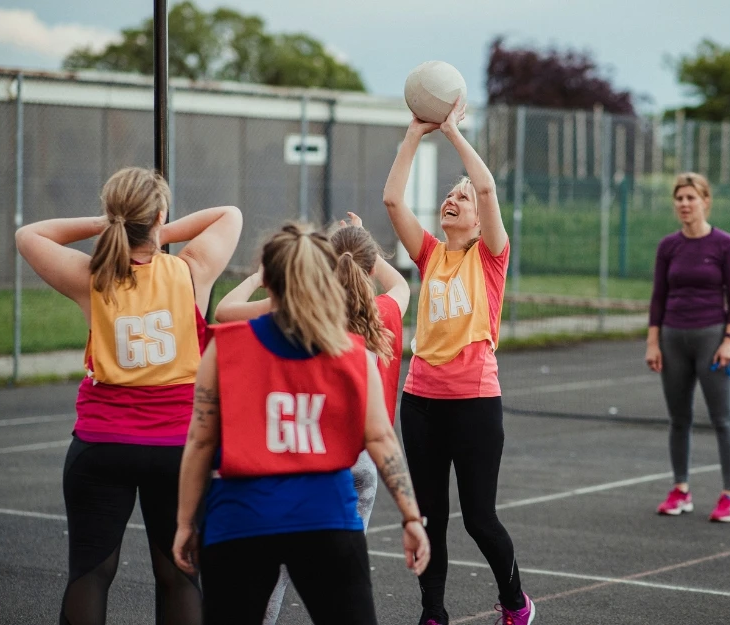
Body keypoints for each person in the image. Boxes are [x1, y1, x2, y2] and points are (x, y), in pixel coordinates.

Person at [14, 166, 243, 624]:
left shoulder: (92, 277)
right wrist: (152, 229)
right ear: (159, 215)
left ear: (114, 217)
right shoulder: (191, 272)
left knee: (91, 574)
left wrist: (108, 224)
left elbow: (29, 234)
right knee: (180, 576)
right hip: (177, 448)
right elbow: (229, 214)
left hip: (103, 444)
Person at [172, 222, 429, 625]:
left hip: (242, 517)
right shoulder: (353, 355)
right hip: (325, 517)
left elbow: (200, 442)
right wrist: (411, 517)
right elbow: (381, 438)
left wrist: (186, 521)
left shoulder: (226, 347)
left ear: (268, 282)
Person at [383, 99, 535, 625]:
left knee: (478, 517)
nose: (455, 198)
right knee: (430, 518)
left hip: (474, 400)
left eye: (462, 197)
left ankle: (516, 602)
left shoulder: (490, 256)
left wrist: (450, 133)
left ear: (477, 217)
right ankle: (433, 613)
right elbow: (391, 199)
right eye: (450, 194)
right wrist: (412, 134)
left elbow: (488, 188)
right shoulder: (430, 255)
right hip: (421, 400)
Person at [645, 172, 730, 523]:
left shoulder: (724, 244)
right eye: (679, 199)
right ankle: (680, 490)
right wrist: (653, 342)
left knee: (722, 419)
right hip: (673, 338)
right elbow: (659, 296)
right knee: (678, 420)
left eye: (691, 198)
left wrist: (729, 340)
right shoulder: (668, 246)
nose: (684, 204)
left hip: (712, 339)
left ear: (705, 201)